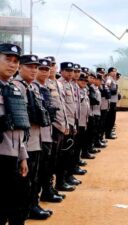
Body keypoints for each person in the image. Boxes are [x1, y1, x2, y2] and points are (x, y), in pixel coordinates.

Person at [13, 55, 52, 220]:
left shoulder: (33, 88)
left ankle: (31, 207)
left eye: (36, 67)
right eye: (30, 66)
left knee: (33, 180)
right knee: (22, 184)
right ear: (19, 67)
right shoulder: (16, 87)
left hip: (35, 140)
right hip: (23, 145)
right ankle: (27, 209)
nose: (34, 70)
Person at [0, 43, 29, 225]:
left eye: (15, 61)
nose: (12, 64)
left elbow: (19, 127)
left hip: (13, 157)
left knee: (17, 208)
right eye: (7, 59)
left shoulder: (15, 89)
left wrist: (23, 156)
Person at [34, 58, 63, 206]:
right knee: (37, 171)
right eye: (42, 68)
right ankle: (33, 203)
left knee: (47, 166)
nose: (46, 71)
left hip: (48, 133)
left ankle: (45, 193)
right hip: (36, 138)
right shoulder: (33, 87)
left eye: (48, 68)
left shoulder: (47, 86)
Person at [43, 56, 67, 201]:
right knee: (48, 162)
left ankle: (50, 188)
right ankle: (47, 190)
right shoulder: (44, 84)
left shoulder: (56, 84)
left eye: (53, 66)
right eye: (49, 66)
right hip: (51, 129)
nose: (52, 69)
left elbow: (61, 106)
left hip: (59, 127)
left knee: (54, 161)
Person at [57, 62, 78, 192]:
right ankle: (60, 181)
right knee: (63, 155)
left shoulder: (70, 84)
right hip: (64, 125)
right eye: (67, 70)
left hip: (71, 122)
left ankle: (66, 177)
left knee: (69, 153)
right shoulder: (60, 84)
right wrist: (65, 125)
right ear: (61, 71)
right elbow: (62, 108)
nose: (70, 73)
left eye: (72, 70)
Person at [105, 67, 118, 139]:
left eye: (115, 71)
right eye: (113, 71)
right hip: (111, 101)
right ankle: (108, 134)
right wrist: (111, 92)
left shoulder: (113, 79)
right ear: (109, 72)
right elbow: (107, 87)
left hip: (114, 101)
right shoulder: (109, 78)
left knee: (112, 118)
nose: (115, 72)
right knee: (110, 118)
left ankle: (109, 132)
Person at [97, 68, 108, 148]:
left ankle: (99, 138)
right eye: (100, 72)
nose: (102, 74)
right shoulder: (99, 83)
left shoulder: (103, 82)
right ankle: (97, 140)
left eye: (103, 72)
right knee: (98, 126)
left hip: (103, 106)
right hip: (98, 108)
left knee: (102, 124)